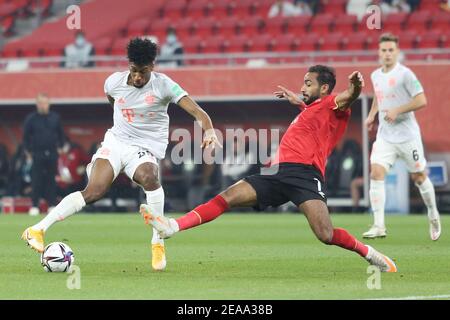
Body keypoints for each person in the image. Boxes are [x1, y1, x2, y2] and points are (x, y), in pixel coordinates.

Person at [142, 65, 398, 273]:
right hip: (277, 173)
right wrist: (299, 101)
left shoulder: (333, 103)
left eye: (308, 83)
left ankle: (369, 253)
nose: (302, 86)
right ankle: (172, 227)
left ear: (324, 88)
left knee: (325, 234)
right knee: (227, 197)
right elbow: (314, 112)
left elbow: (346, 98)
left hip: (305, 175)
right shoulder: (313, 109)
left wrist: (355, 87)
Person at [22, 38, 220, 271]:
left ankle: (157, 242)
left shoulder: (163, 85)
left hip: (144, 148)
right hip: (116, 142)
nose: (138, 77)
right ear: (129, 65)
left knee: (150, 177)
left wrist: (208, 130)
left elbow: (197, 110)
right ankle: (37, 229)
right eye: (134, 71)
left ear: (152, 67)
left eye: (143, 72)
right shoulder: (113, 82)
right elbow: (113, 100)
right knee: (94, 191)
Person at [363, 33, 441, 240]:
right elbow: (379, 97)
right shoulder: (375, 75)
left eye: (391, 50)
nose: (387, 54)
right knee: (376, 173)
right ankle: (379, 225)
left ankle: (433, 213)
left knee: (418, 177)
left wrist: (397, 110)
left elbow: (422, 100)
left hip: (408, 137)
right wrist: (371, 115)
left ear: (397, 52)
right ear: (379, 53)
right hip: (385, 136)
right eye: (384, 50)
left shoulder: (406, 74)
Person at [23, 93, 65, 215]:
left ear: (49, 103)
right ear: (37, 104)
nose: (43, 105)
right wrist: (28, 152)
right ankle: (35, 205)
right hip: (37, 153)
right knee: (36, 179)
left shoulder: (55, 117)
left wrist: (61, 148)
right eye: (40, 103)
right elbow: (25, 137)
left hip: (52, 152)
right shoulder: (31, 119)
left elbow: (61, 134)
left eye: (45, 103)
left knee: (51, 179)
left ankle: (51, 204)